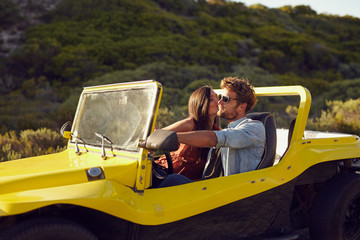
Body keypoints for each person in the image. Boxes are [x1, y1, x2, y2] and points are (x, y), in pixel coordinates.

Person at [159, 77, 266, 187]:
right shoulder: (226, 130)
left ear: (242, 107)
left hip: (237, 191)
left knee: (172, 181)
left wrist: (173, 137)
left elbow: (214, 138)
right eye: (219, 98)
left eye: (225, 99)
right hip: (212, 188)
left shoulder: (253, 128)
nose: (219, 102)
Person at [155, 86, 220, 181]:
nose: (217, 101)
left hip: (189, 184)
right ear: (201, 104)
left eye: (217, 97)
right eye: (211, 99)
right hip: (165, 175)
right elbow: (157, 135)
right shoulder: (190, 124)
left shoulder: (217, 131)